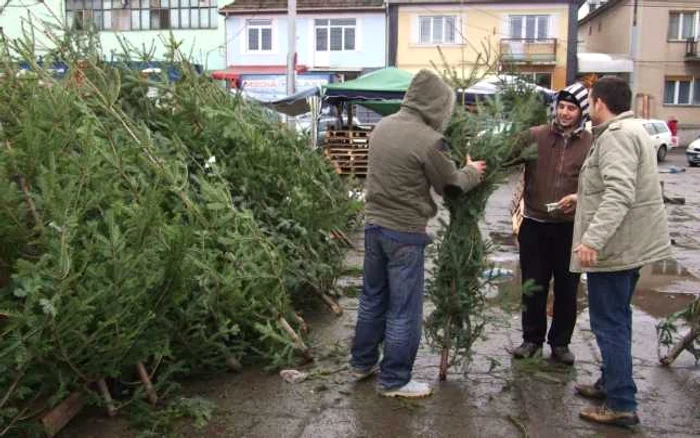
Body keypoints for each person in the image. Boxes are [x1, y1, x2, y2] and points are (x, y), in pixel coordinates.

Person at [350, 70, 486, 399]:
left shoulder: (382, 127)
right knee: (403, 309)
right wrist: (473, 171)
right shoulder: (428, 140)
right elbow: (450, 186)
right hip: (405, 233)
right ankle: (395, 380)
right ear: (436, 104)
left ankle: (362, 362)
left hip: (373, 226)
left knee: (371, 298)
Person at [571, 76, 671, 426]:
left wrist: (592, 239)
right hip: (629, 245)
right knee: (618, 320)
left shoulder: (617, 137)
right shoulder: (633, 130)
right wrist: (581, 199)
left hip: (615, 249)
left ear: (599, 103)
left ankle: (622, 404)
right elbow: (614, 188)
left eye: (590, 102)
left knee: (609, 324)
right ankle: (610, 383)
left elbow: (619, 193)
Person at [511, 83, 592, 365]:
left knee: (568, 289)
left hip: (570, 227)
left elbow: (597, 185)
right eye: (561, 106)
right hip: (534, 224)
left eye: (571, 108)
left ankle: (560, 343)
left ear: (582, 111)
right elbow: (508, 157)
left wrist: (580, 198)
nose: (564, 113)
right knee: (533, 285)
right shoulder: (536, 136)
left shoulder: (590, 143)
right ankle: (531, 340)